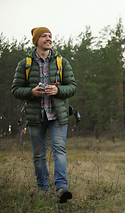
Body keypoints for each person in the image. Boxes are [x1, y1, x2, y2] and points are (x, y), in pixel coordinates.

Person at [12, 27, 77, 203]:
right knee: (39, 154)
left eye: (50, 36)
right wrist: (31, 92)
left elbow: (72, 86)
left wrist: (58, 89)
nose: (48, 39)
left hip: (57, 115)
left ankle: (62, 188)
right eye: (44, 36)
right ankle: (42, 188)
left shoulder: (62, 62)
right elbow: (16, 90)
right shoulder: (24, 64)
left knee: (59, 150)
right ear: (36, 40)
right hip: (35, 116)